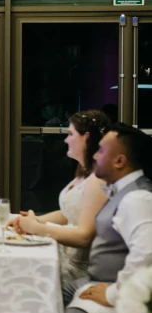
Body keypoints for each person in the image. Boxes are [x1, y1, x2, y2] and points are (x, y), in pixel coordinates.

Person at [63, 124, 152, 313]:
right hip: (94, 279)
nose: (94, 155)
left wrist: (113, 294)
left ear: (120, 161)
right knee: (50, 291)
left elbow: (147, 255)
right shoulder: (123, 190)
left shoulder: (137, 198)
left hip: (118, 290)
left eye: (101, 150)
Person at [11, 110, 111, 283]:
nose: (65, 140)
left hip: (76, 272)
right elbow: (68, 213)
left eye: (71, 134)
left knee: (16, 275)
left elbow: (84, 236)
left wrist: (37, 228)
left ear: (86, 137)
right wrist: (32, 221)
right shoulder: (84, 174)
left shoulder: (97, 181)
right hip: (61, 256)